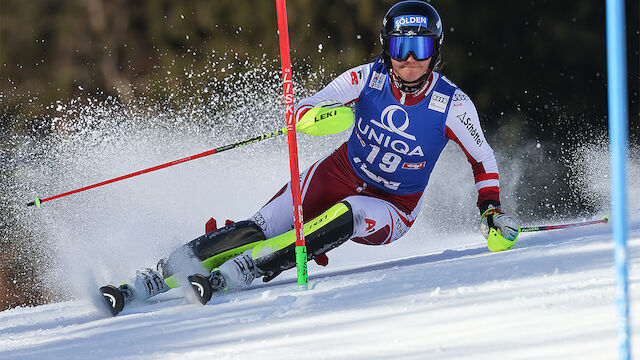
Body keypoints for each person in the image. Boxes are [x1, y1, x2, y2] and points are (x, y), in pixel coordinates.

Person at [119, 0, 520, 305]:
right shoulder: (367, 77)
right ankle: (157, 276)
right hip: (337, 173)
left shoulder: (453, 103)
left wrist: (490, 209)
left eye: (420, 46)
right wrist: (310, 116)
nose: (411, 60)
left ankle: (250, 267)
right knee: (256, 228)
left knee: (351, 212)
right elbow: (311, 103)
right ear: (387, 48)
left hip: (392, 206)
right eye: (401, 47)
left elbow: (482, 158)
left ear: (436, 49)